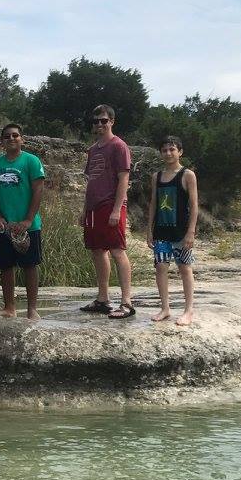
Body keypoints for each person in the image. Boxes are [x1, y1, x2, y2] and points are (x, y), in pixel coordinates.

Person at [78, 104, 134, 319]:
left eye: (103, 120)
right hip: (93, 207)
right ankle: (103, 299)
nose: (99, 124)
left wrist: (117, 209)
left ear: (112, 121)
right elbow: (91, 181)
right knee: (97, 251)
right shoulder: (93, 150)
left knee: (117, 250)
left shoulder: (119, 146)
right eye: (96, 121)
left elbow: (124, 179)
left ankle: (126, 301)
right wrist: (84, 210)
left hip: (110, 205)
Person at [0, 123, 46, 320]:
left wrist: (28, 219)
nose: (11, 139)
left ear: (22, 139)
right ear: (2, 141)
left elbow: (38, 190)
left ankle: (32, 308)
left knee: (30, 265)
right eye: (7, 136)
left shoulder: (31, 161)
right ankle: (9, 307)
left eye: (15, 135)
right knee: (6, 266)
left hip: (28, 225)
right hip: (4, 225)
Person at [146, 136, 198, 326]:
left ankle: (188, 310)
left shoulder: (187, 175)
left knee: (184, 268)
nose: (168, 153)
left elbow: (194, 205)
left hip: (181, 232)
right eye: (164, 150)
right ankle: (165, 308)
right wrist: (149, 230)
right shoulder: (156, 177)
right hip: (161, 231)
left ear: (180, 152)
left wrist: (191, 231)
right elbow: (153, 204)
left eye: (172, 149)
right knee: (160, 267)